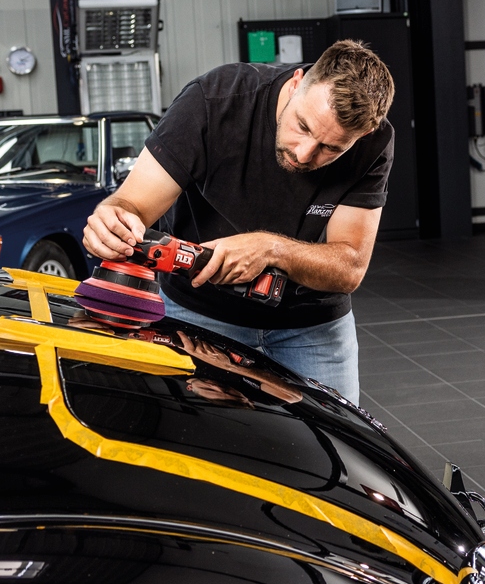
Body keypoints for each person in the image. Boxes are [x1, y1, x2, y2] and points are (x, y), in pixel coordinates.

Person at [82, 40, 394, 404]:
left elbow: (349, 268)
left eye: (331, 148)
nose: (304, 154)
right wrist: (113, 221)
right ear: (296, 82)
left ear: (362, 136)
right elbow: (132, 204)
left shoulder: (374, 142)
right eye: (303, 126)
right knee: (206, 434)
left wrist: (271, 249)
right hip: (200, 314)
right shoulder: (214, 101)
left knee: (332, 437)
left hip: (312, 328)